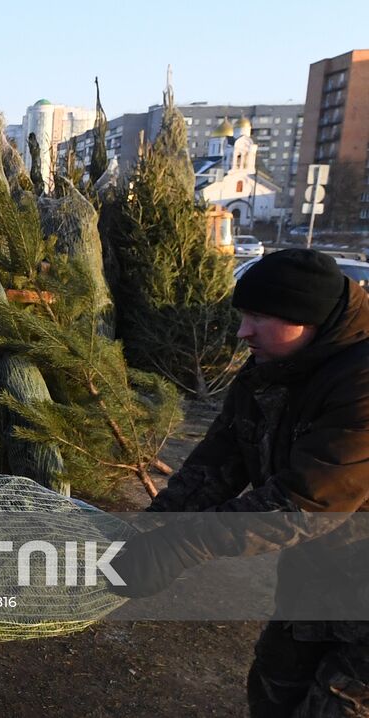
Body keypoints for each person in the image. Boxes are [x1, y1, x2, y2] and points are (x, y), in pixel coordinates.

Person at [111, 248, 369, 717]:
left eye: (259, 317)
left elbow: (305, 502)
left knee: (337, 705)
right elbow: (220, 460)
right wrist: (145, 529)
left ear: (308, 318)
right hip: (316, 582)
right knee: (274, 685)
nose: (242, 332)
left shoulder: (362, 383)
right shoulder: (270, 371)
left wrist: (179, 546)